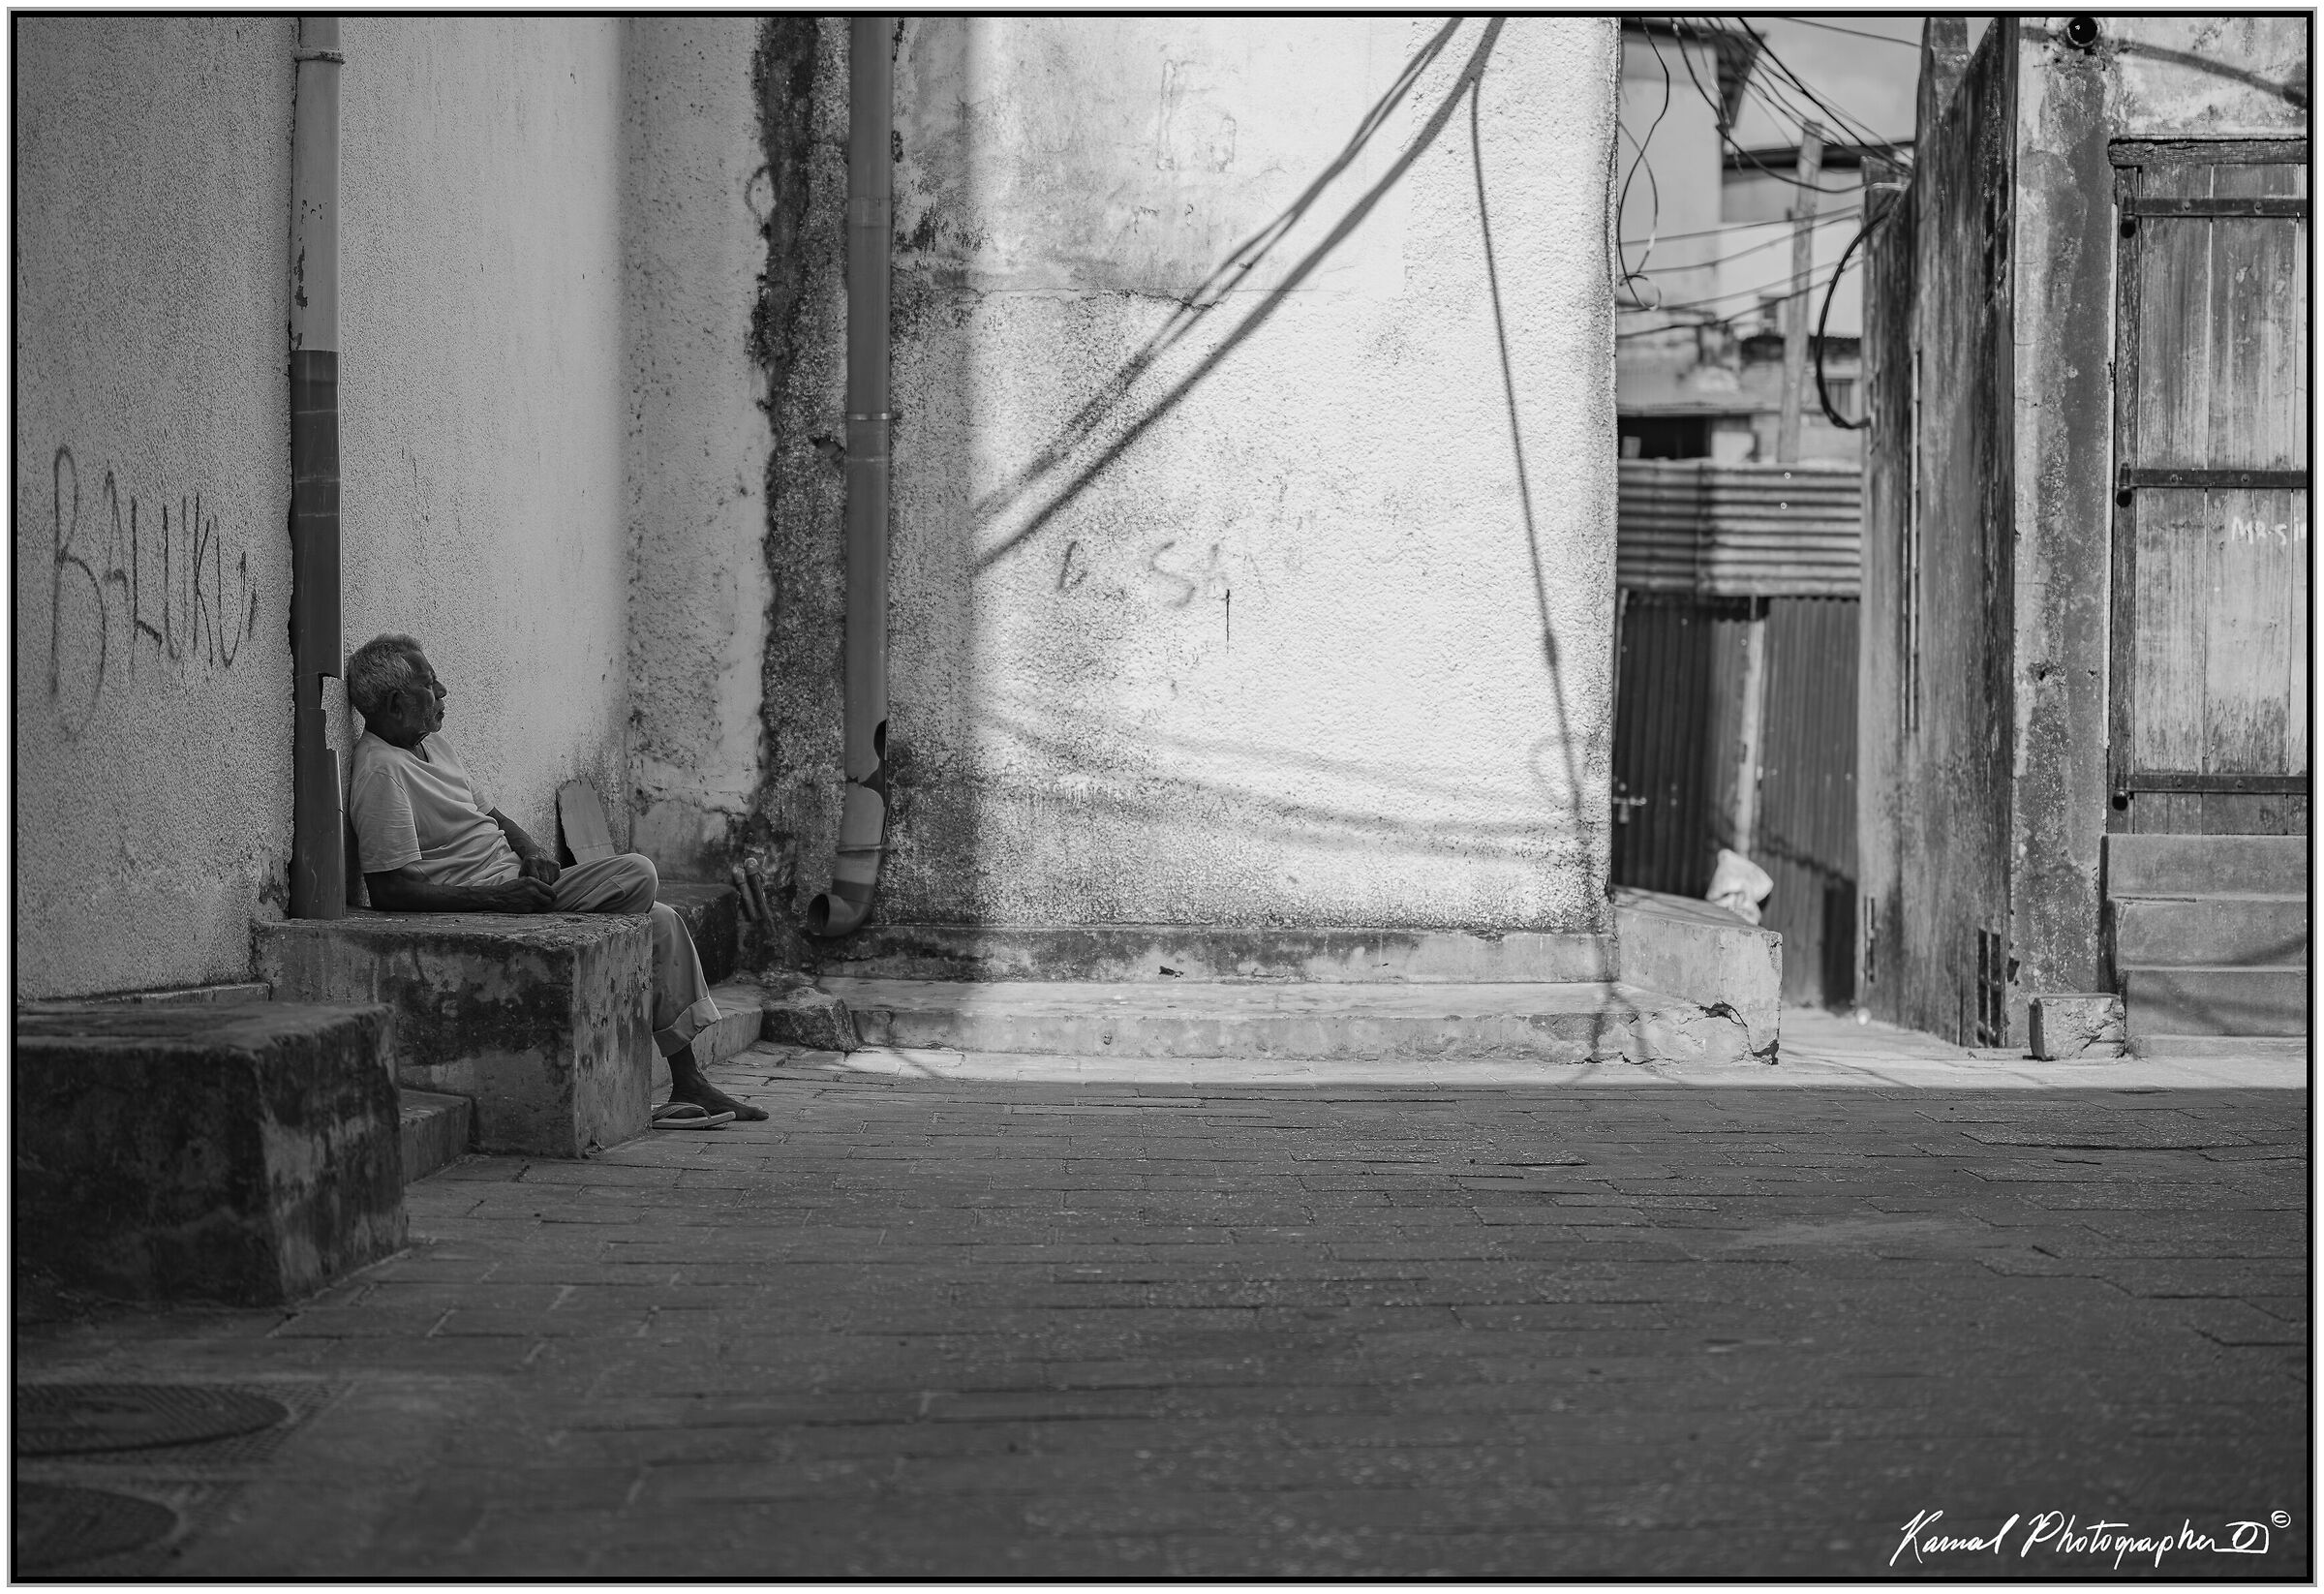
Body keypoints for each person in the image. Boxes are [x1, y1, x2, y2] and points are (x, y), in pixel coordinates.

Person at [342, 632, 765, 1126]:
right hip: (496, 899)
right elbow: (391, 889)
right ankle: (686, 1083)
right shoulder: (380, 772)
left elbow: (491, 813)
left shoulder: (431, 744)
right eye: (429, 684)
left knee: (664, 920)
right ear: (396, 703)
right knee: (640, 875)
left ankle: (689, 1082)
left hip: (517, 885)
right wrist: (500, 900)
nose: (443, 693)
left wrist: (532, 851)